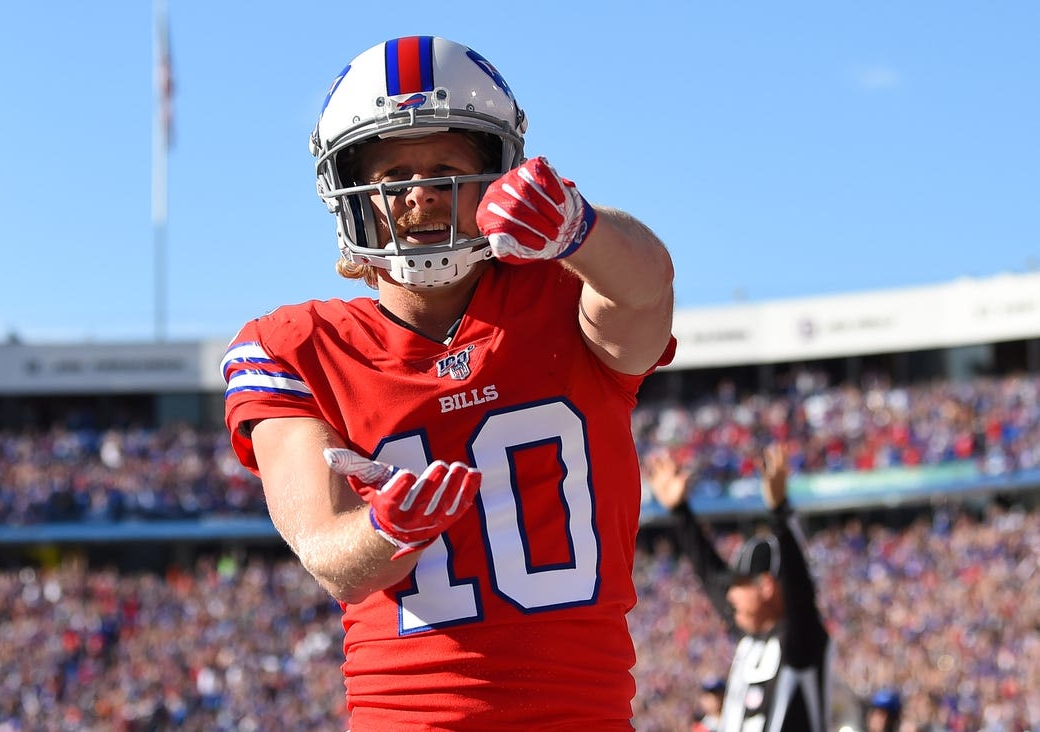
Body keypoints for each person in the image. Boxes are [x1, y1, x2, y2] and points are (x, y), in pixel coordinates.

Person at [221, 35, 676, 730]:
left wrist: (582, 228)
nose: (421, 194)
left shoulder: (563, 293)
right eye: (394, 173)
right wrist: (386, 530)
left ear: (498, 174)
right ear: (349, 193)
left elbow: (646, 298)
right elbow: (329, 555)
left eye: (445, 168)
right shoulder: (297, 348)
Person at [645, 443, 836, 732]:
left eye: (740, 585)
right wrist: (680, 512)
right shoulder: (749, 637)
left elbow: (800, 590)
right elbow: (710, 575)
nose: (730, 595)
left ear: (767, 586)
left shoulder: (800, 641)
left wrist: (780, 512)